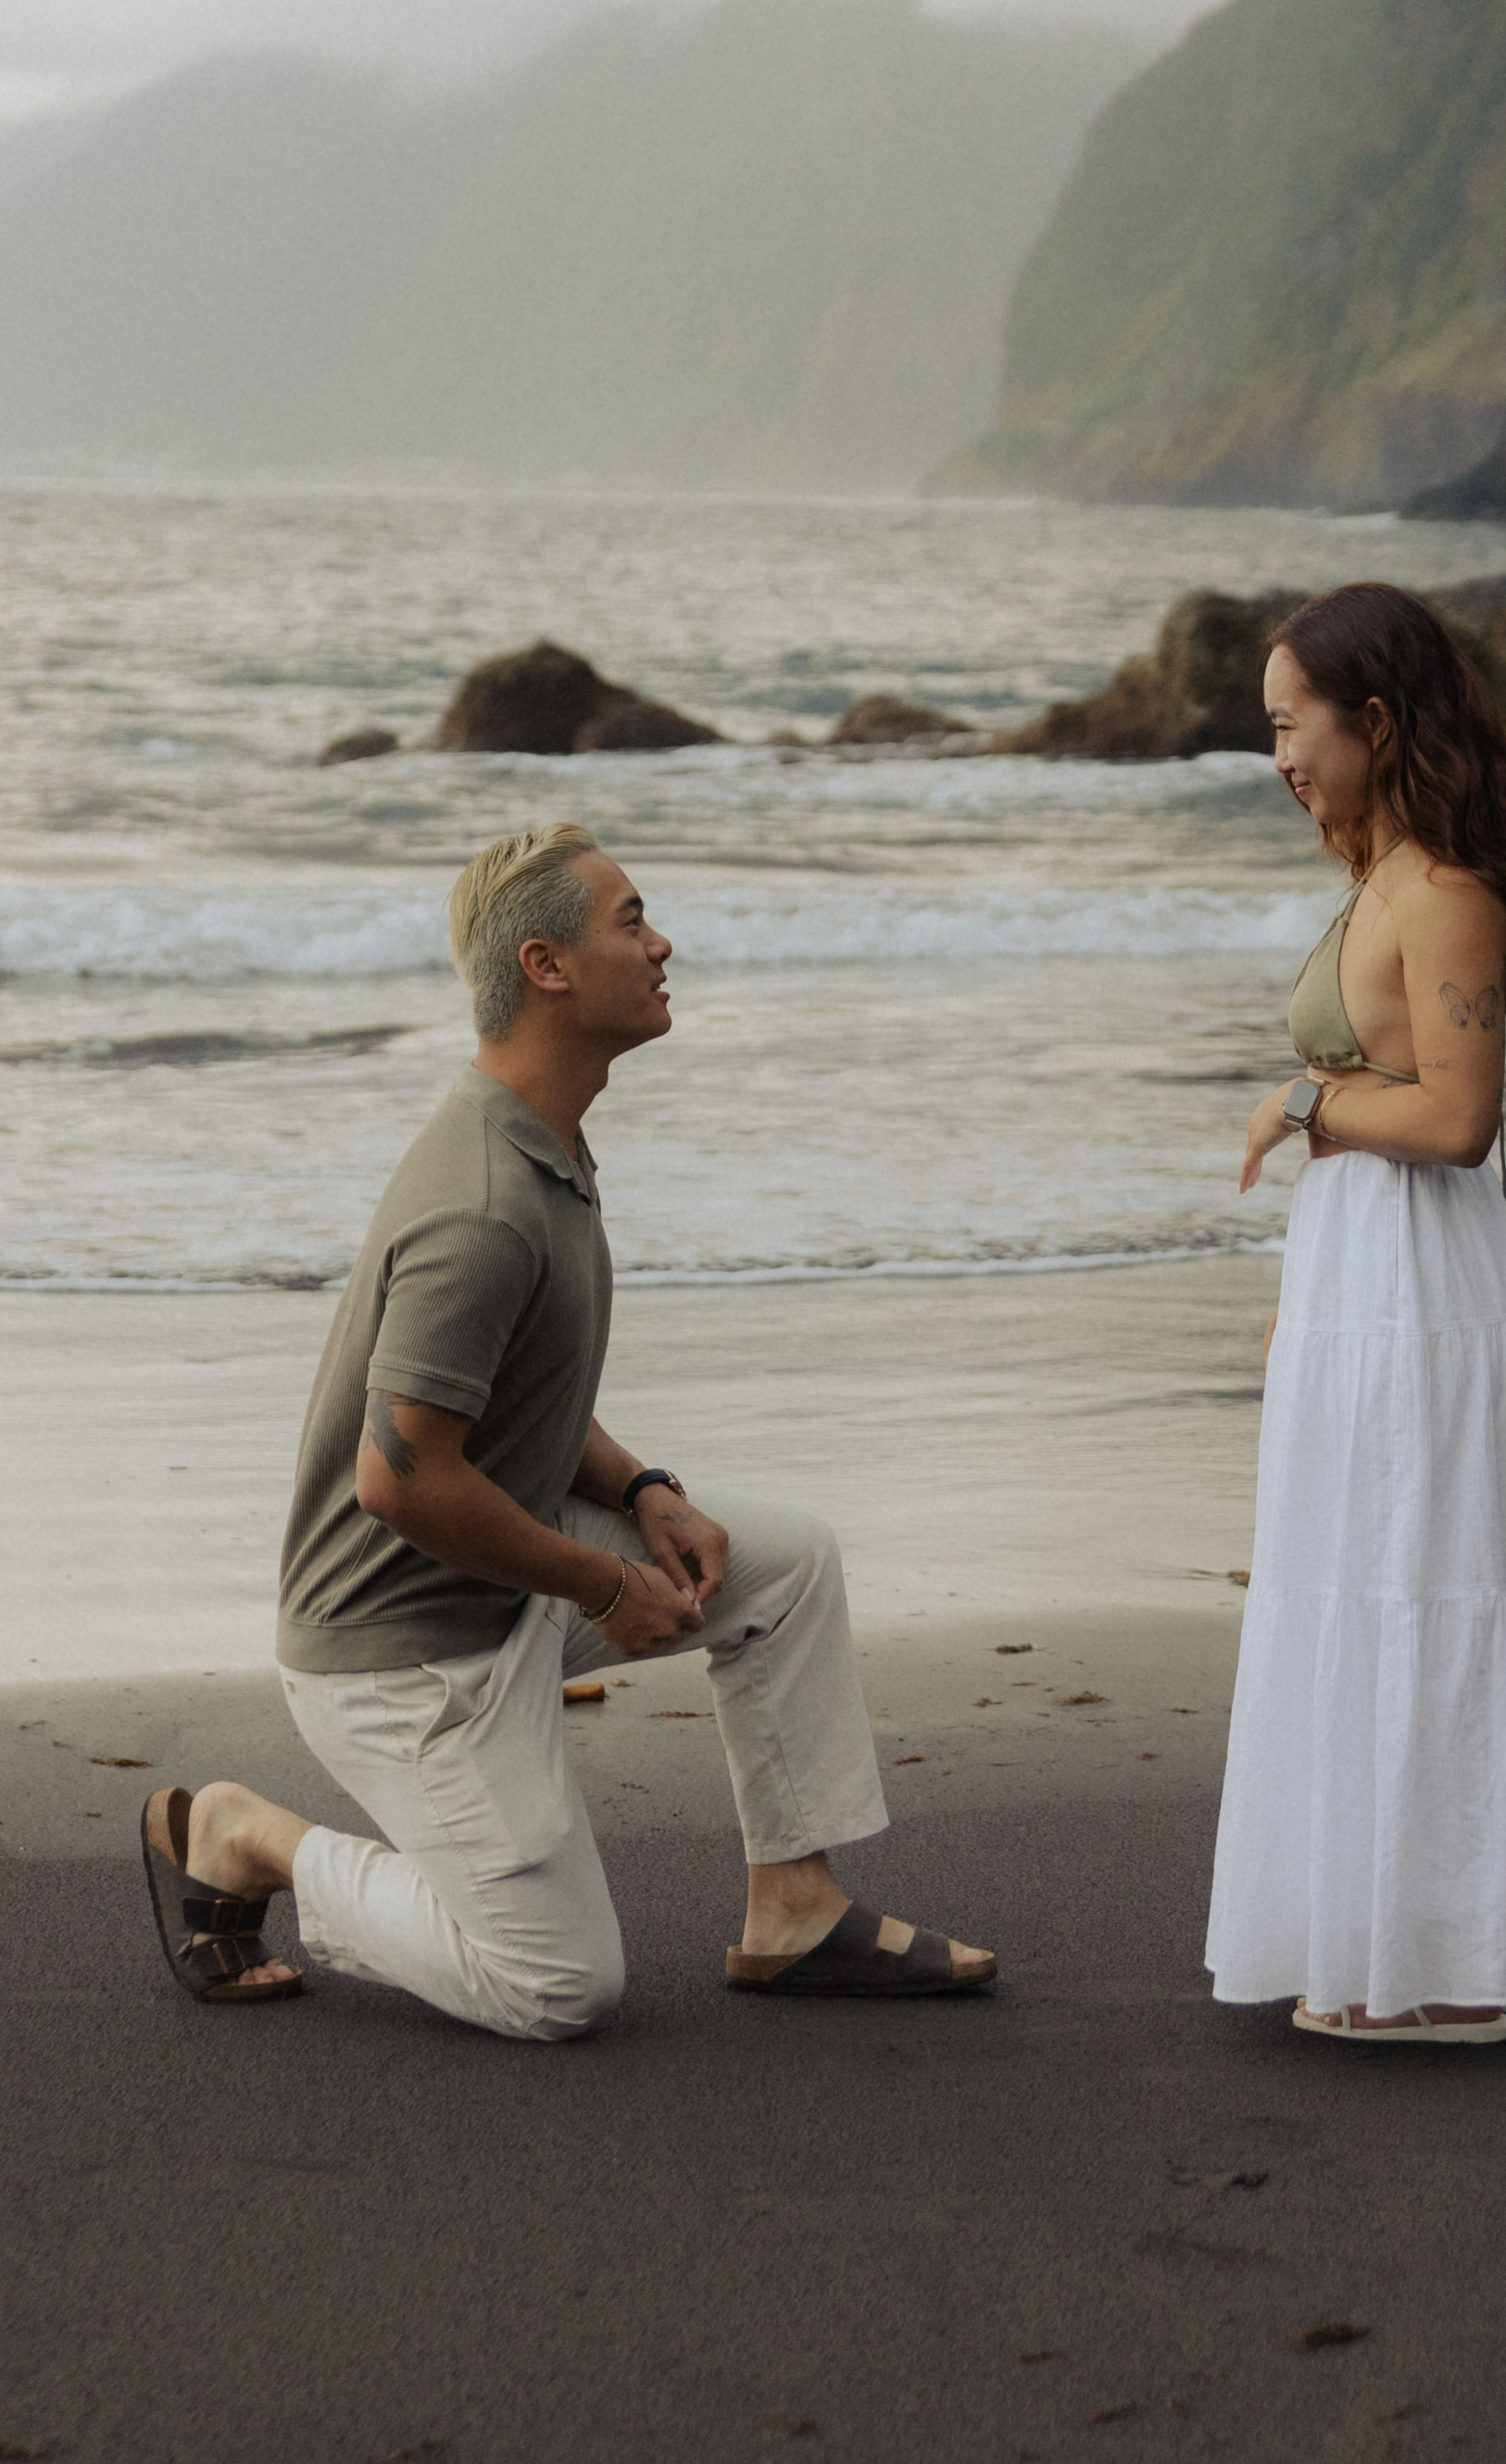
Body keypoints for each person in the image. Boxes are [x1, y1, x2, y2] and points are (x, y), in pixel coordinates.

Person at [138, 819, 996, 2031]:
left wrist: (645, 1489)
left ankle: (795, 1910)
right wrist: (601, 1584)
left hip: (503, 1578)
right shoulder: (482, 1206)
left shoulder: (540, 1138)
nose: (663, 946)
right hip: (402, 1655)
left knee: (784, 1563)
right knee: (555, 1988)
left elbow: (518, 1395)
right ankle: (244, 1836)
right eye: (632, 922)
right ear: (546, 967)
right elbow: (401, 1481)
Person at [1205, 585, 1506, 2047]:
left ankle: (1437, 1973)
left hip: (1429, 1287)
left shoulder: (1445, 891)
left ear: (1374, 720)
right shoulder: (1378, 875)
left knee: (1423, 1579)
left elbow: (1453, 1118)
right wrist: (1300, 1295)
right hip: (1366, 1275)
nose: (1278, 757)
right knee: (1420, 1572)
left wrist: (1301, 1099)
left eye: (1290, 725)